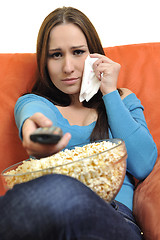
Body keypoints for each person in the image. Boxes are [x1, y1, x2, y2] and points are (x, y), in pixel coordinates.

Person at [0, 6, 157, 240]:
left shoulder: (122, 99)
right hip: (47, 215)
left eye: (77, 52)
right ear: (44, 61)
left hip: (112, 216)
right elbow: (33, 118)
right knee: (31, 197)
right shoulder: (35, 103)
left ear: (94, 55)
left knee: (65, 189)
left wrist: (110, 93)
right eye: (56, 55)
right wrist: (37, 136)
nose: (68, 67)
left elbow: (143, 164)